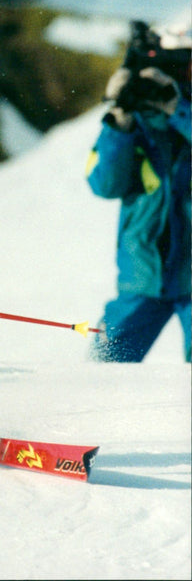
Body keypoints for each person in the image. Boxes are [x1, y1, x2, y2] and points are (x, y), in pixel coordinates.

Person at [86, 21, 191, 362]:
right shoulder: (139, 122)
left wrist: (179, 110)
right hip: (142, 277)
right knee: (101, 372)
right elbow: (104, 184)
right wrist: (119, 119)